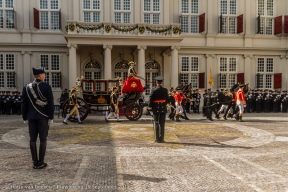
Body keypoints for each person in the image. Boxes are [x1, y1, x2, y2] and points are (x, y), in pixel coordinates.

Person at [22, 67, 54, 169]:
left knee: (32, 139)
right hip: (43, 117)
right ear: (40, 75)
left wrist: (24, 116)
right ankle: (41, 162)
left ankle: (34, 162)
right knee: (43, 139)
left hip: (31, 117)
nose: (45, 76)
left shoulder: (26, 87)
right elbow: (50, 104)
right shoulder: (46, 87)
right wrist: (51, 116)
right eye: (44, 74)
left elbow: (24, 104)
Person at [148, 76, 169, 143]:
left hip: (155, 108)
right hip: (163, 107)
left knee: (156, 122)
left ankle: (157, 139)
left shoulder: (153, 90)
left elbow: (151, 99)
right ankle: (162, 138)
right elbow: (167, 99)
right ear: (161, 82)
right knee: (162, 123)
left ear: (156, 82)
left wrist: (150, 106)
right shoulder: (165, 90)